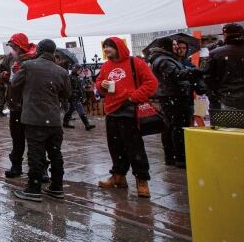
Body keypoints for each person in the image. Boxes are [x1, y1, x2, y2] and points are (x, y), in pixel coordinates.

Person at [9, 39, 70, 202]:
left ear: (39, 50)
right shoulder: (62, 72)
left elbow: (14, 83)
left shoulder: (29, 66)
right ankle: (57, 187)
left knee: (35, 153)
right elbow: (66, 94)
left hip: (34, 118)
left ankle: (34, 189)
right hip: (54, 119)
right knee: (56, 153)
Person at [96, 37, 158, 198]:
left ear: (119, 47)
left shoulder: (135, 62)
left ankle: (142, 180)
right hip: (111, 111)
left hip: (129, 112)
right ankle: (119, 176)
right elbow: (99, 82)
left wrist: (133, 97)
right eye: (105, 47)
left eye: (110, 46)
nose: (107, 49)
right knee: (115, 147)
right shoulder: (106, 66)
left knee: (135, 147)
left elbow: (151, 83)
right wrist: (100, 85)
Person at [147, 38, 202, 168]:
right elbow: (175, 75)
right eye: (173, 45)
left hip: (172, 96)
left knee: (171, 126)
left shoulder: (166, 58)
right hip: (174, 96)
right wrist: (193, 71)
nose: (176, 47)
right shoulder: (164, 60)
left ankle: (172, 156)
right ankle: (179, 157)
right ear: (166, 46)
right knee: (177, 127)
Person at [0, 32, 38, 179]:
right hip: (15, 105)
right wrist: (3, 74)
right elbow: (1, 70)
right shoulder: (10, 58)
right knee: (17, 138)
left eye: (14, 47)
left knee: (36, 139)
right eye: (11, 47)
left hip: (32, 104)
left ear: (21, 46)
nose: (12, 50)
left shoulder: (35, 57)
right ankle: (16, 166)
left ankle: (39, 168)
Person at [63, 65, 94, 130]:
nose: (80, 71)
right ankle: (87, 124)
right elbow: (68, 88)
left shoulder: (76, 77)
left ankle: (65, 123)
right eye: (79, 70)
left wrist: (83, 88)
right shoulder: (70, 77)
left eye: (81, 70)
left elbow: (78, 87)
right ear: (75, 69)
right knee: (81, 110)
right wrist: (75, 92)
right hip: (74, 97)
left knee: (70, 110)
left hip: (75, 96)